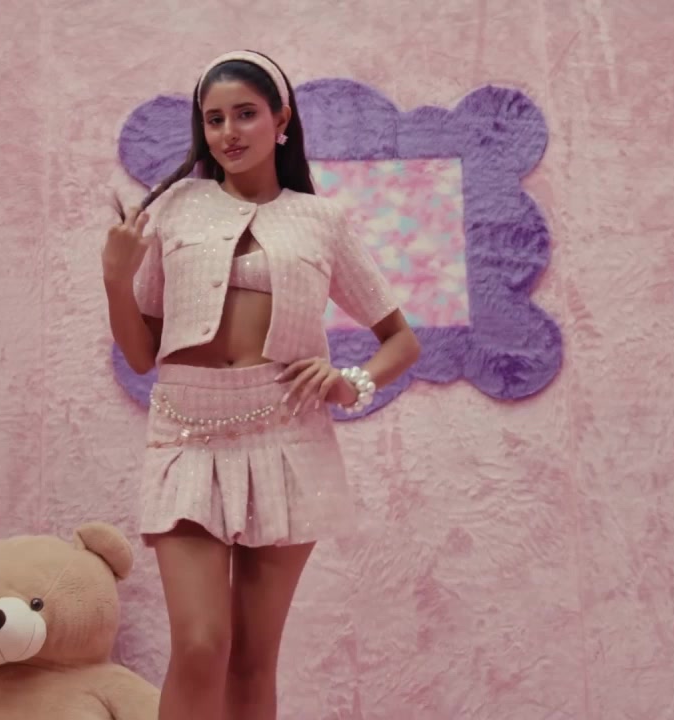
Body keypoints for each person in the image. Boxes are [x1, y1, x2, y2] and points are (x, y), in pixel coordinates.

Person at [101, 49, 421, 720]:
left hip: (288, 441)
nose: (228, 132)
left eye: (245, 114)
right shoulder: (177, 208)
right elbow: (142, 354)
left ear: (282, 120)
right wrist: (115, 278)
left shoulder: (320, 220)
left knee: (252, 658)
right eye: (214, 119)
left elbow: (401, 339)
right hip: (186, 439)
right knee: (200, 645)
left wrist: (350, 380)